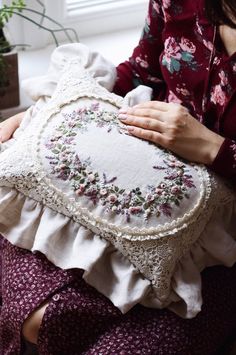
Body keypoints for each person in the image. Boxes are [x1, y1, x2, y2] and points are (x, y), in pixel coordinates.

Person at [1, 0, 236, 354]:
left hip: (222, 246)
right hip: (137, 178)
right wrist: (43, 116)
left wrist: (214, 148)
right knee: (40, 318)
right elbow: (140, 75)